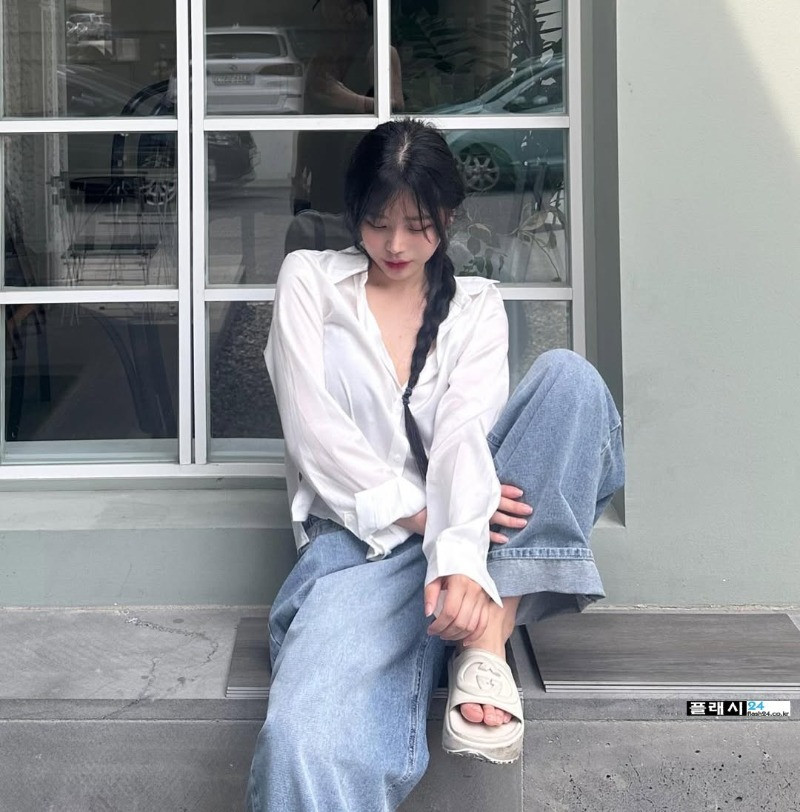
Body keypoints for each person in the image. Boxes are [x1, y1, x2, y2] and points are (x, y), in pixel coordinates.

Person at [246, 118, 625, 811]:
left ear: (448, 217)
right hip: (358, 550)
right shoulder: (310, 281)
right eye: (377, 222)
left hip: (468, 538)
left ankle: (485, 631)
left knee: (570, 383)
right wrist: (442, 520)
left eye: (418, 225)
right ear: (353, 212)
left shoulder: (477, 306)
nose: (396, 245)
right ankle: (482, 620)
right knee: (301, 740)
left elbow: (461, 437)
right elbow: (313, 433)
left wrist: (459, 555)